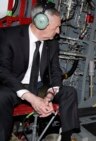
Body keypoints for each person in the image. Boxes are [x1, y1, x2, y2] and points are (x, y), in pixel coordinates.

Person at [0, 2, 80, 141]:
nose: (58, 32)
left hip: (39, 87)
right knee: (0, 96)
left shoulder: (52, 43)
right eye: (56, 27)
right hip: (15, 87)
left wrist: (49, 94)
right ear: (41, 23)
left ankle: (66, 137)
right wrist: (31, 98)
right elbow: (3, 71)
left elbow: (56, 71)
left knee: (69, 92)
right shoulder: (8, 36)